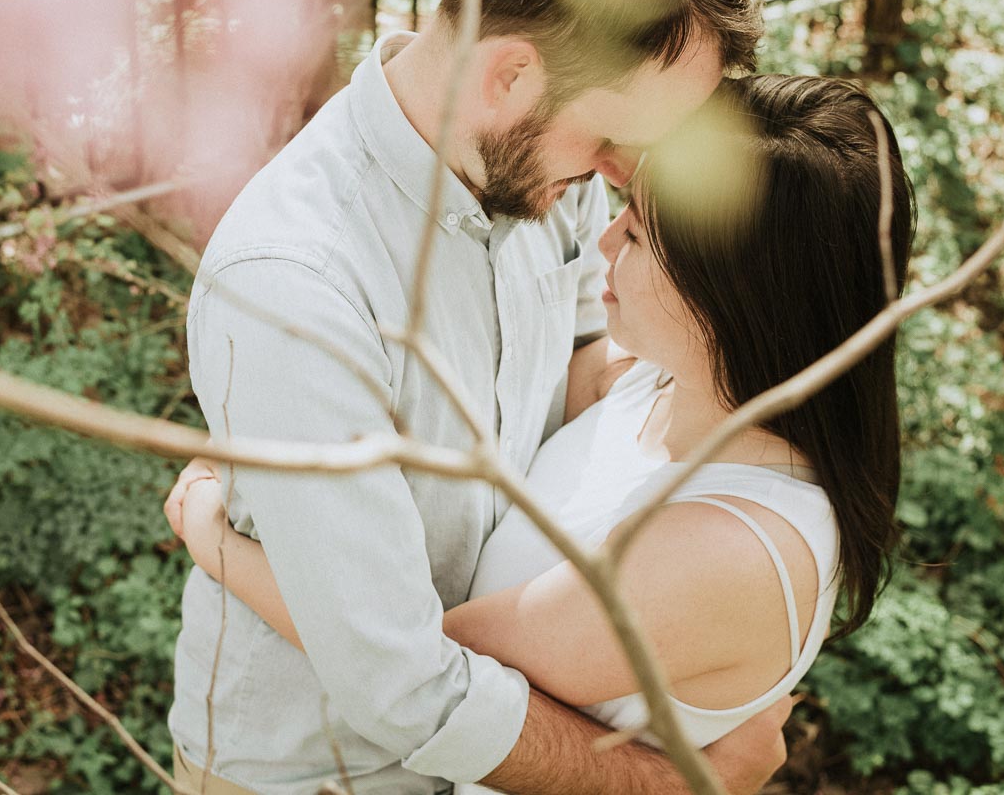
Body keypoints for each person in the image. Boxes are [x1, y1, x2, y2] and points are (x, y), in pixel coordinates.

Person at [164, 0, 783, 795]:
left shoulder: (543, 170)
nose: (626, 181)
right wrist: (666, 783)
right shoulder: (296, 281)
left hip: (502, 742)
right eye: (614, 138)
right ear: (508, 75)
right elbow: (399, 687)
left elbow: (582, 374)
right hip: (320, 774)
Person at [168, 74, 914, 792]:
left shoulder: (721, 550)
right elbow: (568, 380)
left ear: (732, 299)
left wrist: (214, 537)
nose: (605, 239)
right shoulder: (664, 387)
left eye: (644, 234)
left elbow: (406, 662)